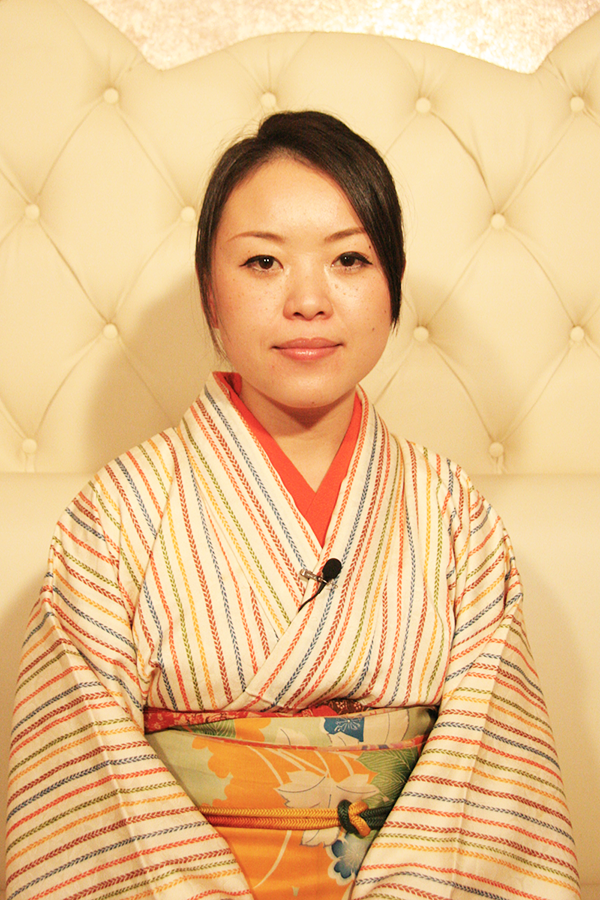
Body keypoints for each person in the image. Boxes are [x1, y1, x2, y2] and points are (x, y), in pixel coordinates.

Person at [6, 111, 578, 900]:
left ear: (393, 285)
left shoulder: (453, 514)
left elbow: (491, 777)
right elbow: (87, 787)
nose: (309, 300)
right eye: (264, 262)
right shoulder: (115, 517)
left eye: (349, 258)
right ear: (210, 293)